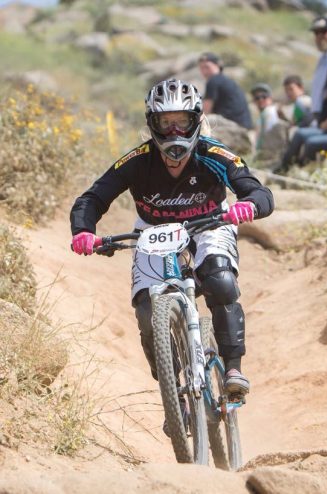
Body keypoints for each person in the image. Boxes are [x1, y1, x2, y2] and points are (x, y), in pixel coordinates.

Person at [70, 79, 274, 403]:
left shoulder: (214, 154)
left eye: (182, 121)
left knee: (220, 281)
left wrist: (248, 204)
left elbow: (258, 190)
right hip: (153, 232)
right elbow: (93, 198)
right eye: (166, 122)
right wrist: (83, 230)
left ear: (196, 120)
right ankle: (173, 394)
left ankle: (233, 369)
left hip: (210, 225)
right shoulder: (136, 161)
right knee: (147, 312)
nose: (175, 131)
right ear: (152, 124)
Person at [198, 52, 253, 130]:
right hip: (243, 124)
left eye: (207, 67)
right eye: (201, 68)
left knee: (200, 122)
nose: (204, 71)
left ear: (217, 65)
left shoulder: (213, 80)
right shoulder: (227, 81)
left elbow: (206, 110)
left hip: (233, 124)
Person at [251, 83, 280, 152]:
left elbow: (268, 138)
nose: (260, 100)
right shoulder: (262, 115)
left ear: (270, 98)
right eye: (257, 98)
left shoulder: (270, 111)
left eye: (264, 96)